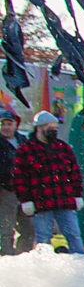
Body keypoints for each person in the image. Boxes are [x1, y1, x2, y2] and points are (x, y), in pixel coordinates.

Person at [16, 111, 84, 253]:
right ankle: (44, 268)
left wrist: (77, 194)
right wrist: (26, 200)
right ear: (39, 128)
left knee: (74, 235)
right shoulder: (26, 150)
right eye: (50, 128)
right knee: (43, 238)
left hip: (65, 200)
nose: (53, 131)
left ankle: (82, 263)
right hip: (41, 202)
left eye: (55, 128)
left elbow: (74, 173)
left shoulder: (62, 147)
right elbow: (19, 178)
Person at [0, 107, 27, 255]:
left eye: (9, 124)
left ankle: (23, 258)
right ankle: (6, 262)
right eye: (2, 124)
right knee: (6, 230)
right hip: (6, 192)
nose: (6, 127)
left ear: (15, 125)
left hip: (25, 192)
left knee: (28, 229)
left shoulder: (23, 140)